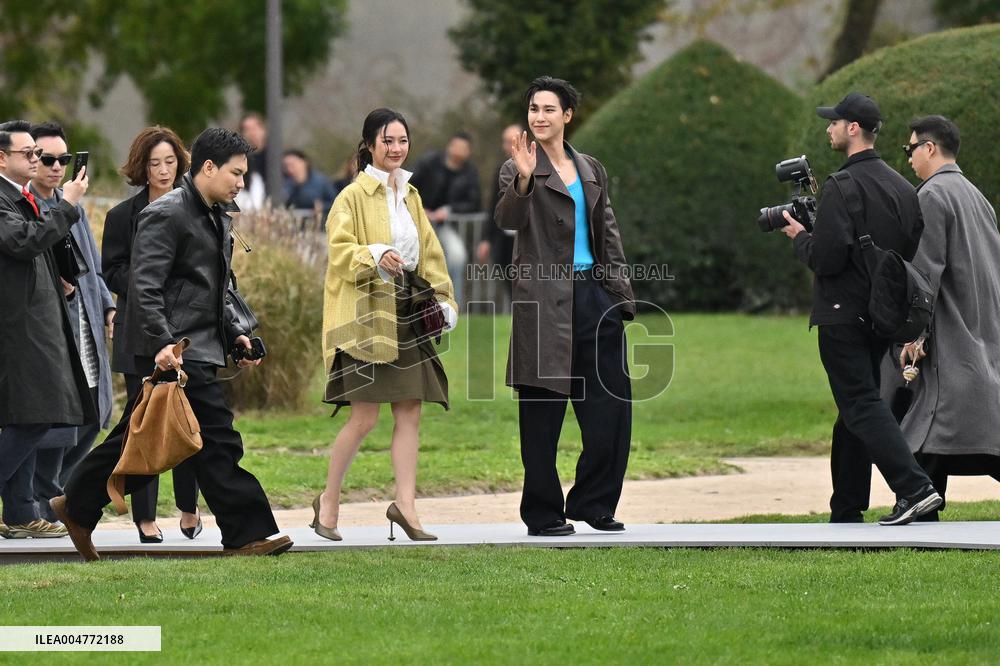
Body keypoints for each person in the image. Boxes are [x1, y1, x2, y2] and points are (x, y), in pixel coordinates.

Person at [54, 128, 292, 560]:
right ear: (208, 167)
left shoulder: (215, 213)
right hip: (174, 348)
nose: (241, 182)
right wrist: (163, 342)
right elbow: (144, 286)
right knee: (217, 438)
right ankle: (247, 533)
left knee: (140, 440)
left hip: (196, 345)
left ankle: (76, 505)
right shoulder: (168, 213)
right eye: (236, 173)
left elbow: (212, 289)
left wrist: (235, 332)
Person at [780, 92, 941, 525]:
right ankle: (846, 510)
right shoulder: (905, 188)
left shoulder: (841, 184)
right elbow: (906, 247)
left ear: (853, 129)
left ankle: (915, 488)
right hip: (881, 314)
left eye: (834, 122)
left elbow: (827, 258)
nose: (829, 128)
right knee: (853, 410)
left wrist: (799, 237)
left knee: (861, 403)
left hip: (842, 311)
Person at [495, 77, 635, 537]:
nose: (539, 116)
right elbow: (507, 220)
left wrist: (620, 298)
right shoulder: (516, 167)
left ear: (567, 115)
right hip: (542, 305)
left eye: (549, 109)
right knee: (541, 417)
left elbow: (607, 232)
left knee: (610, 409)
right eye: (533, 108)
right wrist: (520, 177)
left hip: (594, 298)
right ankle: (542, 514)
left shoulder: (591, 167)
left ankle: (594, 503)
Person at [316, 108, 457, 542]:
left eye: (402, 140)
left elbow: (430, 253)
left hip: (407, 312)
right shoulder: (351, 197)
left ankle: (407, 507)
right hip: (365, 318)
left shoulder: (411, 196)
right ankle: (329, 502)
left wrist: (445, 298)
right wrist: (375, 254)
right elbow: (339, 251)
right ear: (370, 146)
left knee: (410, 411)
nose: (396, 148)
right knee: (363, 418)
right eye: (387, 141)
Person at [887, 115, 1000, 518]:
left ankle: (918, 501)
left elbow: (923, 277)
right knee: (938, 429)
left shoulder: (932, 196)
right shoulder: (976, 196)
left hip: (953, 333)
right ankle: (921, 504)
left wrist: (912, 337)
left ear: (929, 148)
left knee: (931, 425)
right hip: (980, 327)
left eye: (910, 149)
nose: (909, 159)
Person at [101, 126, 202, 543]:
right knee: (143, 422)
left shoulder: (196, 208)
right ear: (140, 167)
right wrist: (153, 282)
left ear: (181, 163)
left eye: (170, 161)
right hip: (139, 329)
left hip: (189, 329)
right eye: (154, 163)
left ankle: (189, 506)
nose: (163, 170)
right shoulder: (122, 215)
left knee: (188, 416)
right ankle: (144, 518)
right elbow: (113, 270)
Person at [0, 119, 90, 539]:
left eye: (39, 152)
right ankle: (19, 509)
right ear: (2, 158)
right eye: (29, 153)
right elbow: (21, 242)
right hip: (18, 330)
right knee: (32, 418)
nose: (37, 159)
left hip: (37, 323)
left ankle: (19, 513)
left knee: (27, 417)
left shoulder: (19, 197)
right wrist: (66, 205)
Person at [27, 122, 115, 520]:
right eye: (48, 159)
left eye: (64, 159)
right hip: (50, 330)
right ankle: (41, 503)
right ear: (30, 160)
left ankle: (54, 493)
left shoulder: (71, 202)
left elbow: (92, 267)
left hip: (87, 323)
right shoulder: (25, 205)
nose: (57, 167)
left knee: (94, 414)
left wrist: (109, 307)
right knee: (57, 420)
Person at [410, 131, 480, 306]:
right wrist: (419, 208)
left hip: (444, 225)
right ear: (449, 146)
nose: (458, 151)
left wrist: (449, 210)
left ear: (469, 152)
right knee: (413, 259)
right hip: (415, 221)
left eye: (463, 148)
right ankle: (413, 303)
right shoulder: (428, 162)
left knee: (457, 255)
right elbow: (407, 186)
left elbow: (474, 202)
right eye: (456, 146)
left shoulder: (470, 173)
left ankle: (451, 303)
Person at [477, 123, 523, 301]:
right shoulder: (501, 170)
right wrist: (486, 239)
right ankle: (518, 327)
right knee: (511, 289)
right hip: (505, 240)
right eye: (506, 142)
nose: (510, 146)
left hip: (529, 240)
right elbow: (493, 207)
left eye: (514, 141)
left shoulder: (540, 166)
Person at [282, 148, 339, 220]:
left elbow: (336, 203)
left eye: (292, 164)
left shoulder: (322, 182)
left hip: (317, 225)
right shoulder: (284, 184)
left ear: (303, 162)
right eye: (285, 166)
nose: (289, 169)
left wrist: (323, 207)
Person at [236, 112, 267, 210]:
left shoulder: (274, 157)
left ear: (263, 130)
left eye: (254, 128)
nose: (252, 133)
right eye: (247, 129)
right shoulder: (238, 159)